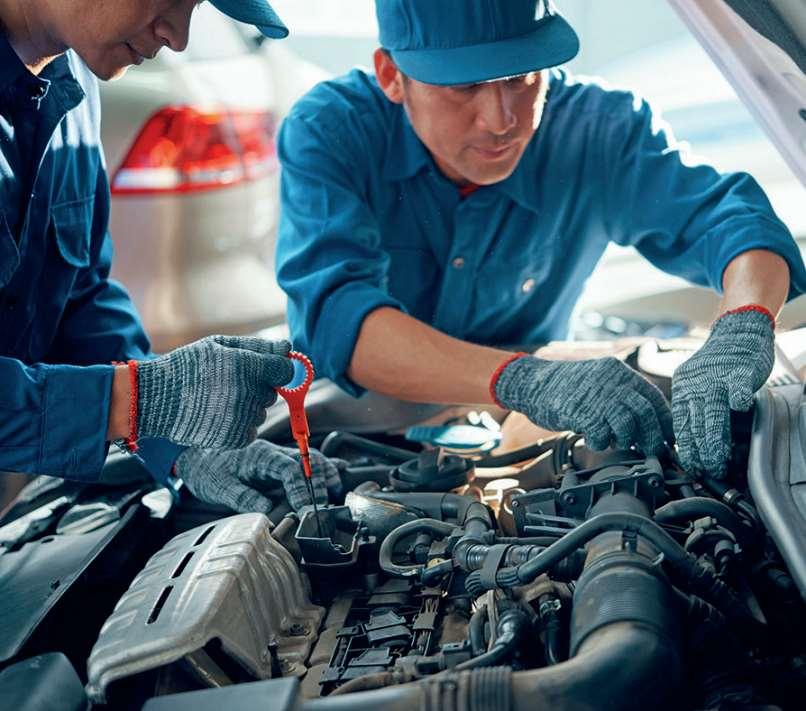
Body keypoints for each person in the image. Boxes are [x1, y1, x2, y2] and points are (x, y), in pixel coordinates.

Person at [276, 0, 806, 479]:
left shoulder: (598, 129)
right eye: (465, 87)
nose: (500, 120)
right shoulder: (332, 130)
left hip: (539, 397)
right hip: (357, 413)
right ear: (392, 76)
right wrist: (525, 381)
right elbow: (337, 321)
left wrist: (744, 323)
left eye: (520, 78)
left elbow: (732, 221)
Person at [0, 0, 340, 514]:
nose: (178, 38)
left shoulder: (72, 85)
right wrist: (134, 402)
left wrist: (179, 441)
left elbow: (78, 297)